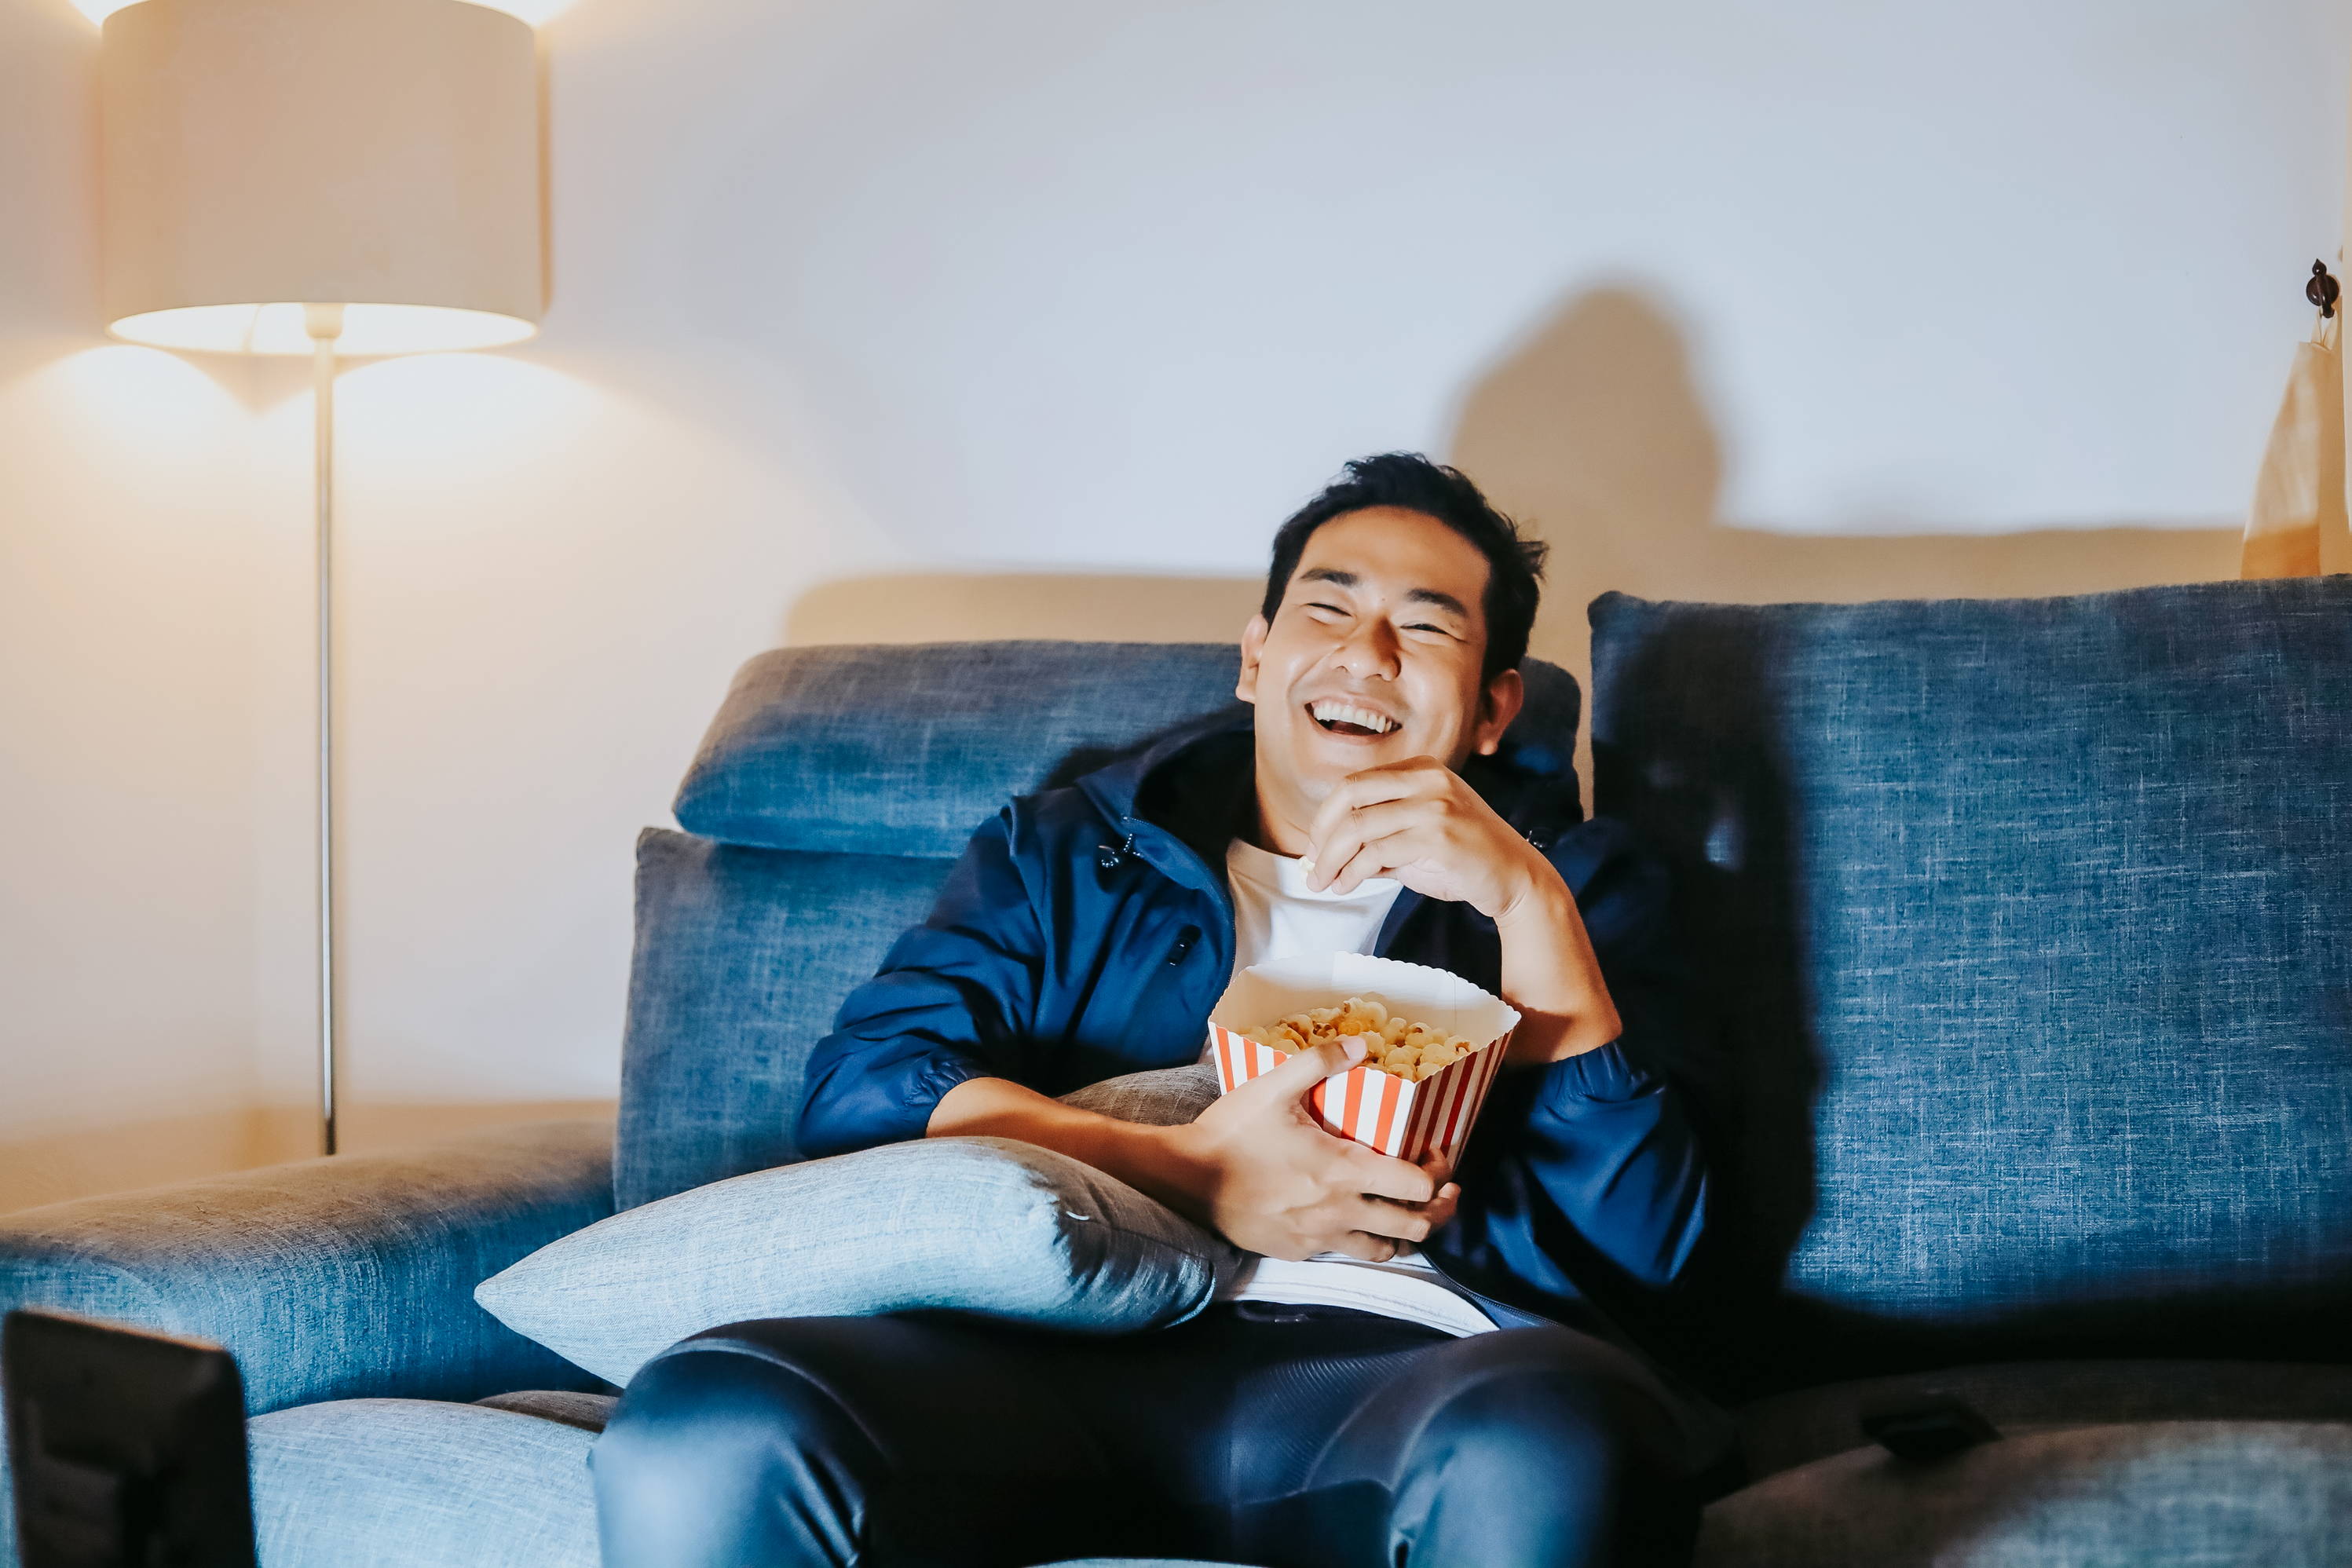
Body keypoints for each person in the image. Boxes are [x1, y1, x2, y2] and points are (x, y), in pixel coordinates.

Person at [593, 454, 1721, 1567]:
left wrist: (1527, 898)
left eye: (1426, 629)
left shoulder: (1579, 888)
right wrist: (1186, 1168)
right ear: (1256, 655)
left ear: (1493, 709)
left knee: (1550, 1441)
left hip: (1405, 1373)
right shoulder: (1069, 851)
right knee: (710, 1416)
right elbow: (866, 1086)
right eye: (1327, 606)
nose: (1365, 653)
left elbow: (1647, 1252)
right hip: (1044, 1351)